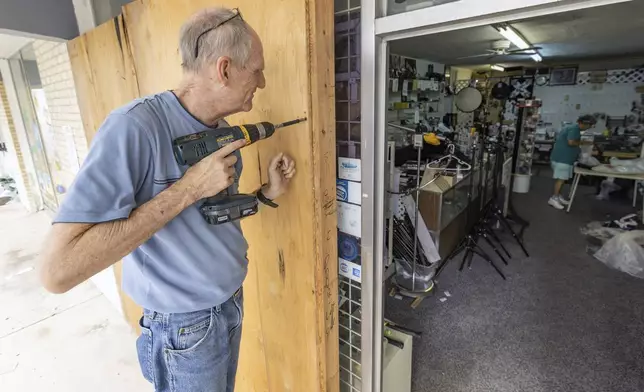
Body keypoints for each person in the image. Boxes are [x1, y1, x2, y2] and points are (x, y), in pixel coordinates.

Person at [38, 7, 295, 392]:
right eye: (256, 69)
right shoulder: (134, 128)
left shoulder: (222, 132)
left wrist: (267, 194)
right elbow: (57, 272)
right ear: (224, 69)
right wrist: (189, 188)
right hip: (184, 328)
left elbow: (210, 220)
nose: (262, 80)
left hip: (229, 305)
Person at [548, 114, 596, 209]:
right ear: (584, 124)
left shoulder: (574, 129)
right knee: (560, 180)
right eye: (589, 125)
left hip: (564, 159)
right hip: (562, 159)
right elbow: (571, 142)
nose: (589, 128)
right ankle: (554, 198)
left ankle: (558, 196)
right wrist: (585, 142)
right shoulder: (574, 129)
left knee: (562, 179)